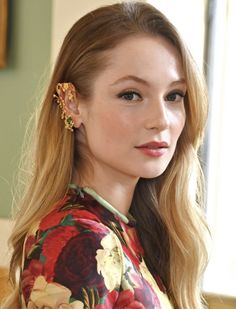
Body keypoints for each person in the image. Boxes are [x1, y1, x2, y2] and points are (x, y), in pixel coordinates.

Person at [2, 1, 209, 308]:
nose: (162, 119)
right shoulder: (81, 241)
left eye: (174, 95)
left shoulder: (131, 232)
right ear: (72, 103)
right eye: (131, 95)